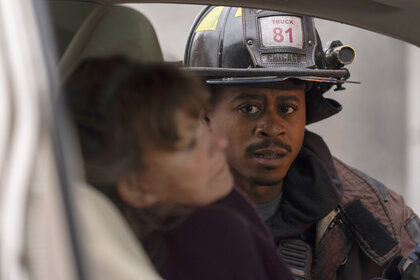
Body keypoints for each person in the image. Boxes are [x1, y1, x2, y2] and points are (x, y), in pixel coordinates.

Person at [184, 6, 420, 280]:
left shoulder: (379, 220)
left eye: (287, 108)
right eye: (249, 108)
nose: (272, 128)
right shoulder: (150, 209)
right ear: (203, 114)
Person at [64, 56, 294, 280]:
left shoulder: (87, 241)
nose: (218, 143)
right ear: (138, 187)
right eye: (190, 144)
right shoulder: (213, 236)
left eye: (201, 126)